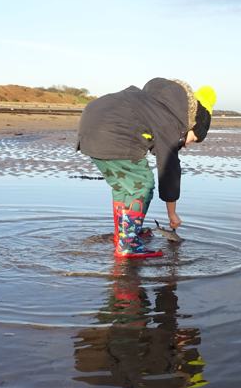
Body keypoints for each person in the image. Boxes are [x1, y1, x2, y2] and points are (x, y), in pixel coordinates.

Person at [77, 77, 217, 259]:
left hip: (90, 129)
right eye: (191, 139)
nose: (187, 145)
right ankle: (127, 244)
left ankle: (125, 234)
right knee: (143, 183)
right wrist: (172, 214)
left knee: (123, 187)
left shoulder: (155, 105)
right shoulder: (171, 122)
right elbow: (169, 171)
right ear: (192, 124)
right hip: (113, 133)